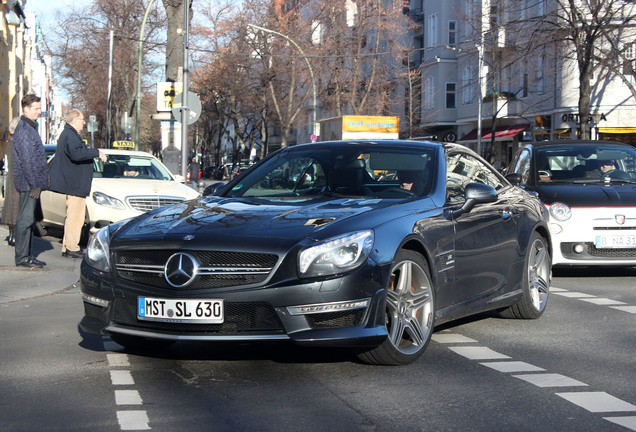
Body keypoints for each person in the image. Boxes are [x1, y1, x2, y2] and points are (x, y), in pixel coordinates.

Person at [49, 108, 106, 258]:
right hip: (75, 184)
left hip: (74, 183)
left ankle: (68, 246)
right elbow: (77, 154)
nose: (84, 122)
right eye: (82, 119)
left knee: (74, 215)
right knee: (76, 216)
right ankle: (71, 247)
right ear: (75, 121)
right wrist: (96, 152)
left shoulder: (69, 134)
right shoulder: (71, 135)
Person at [11, 94, 49, 268]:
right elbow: (27, 161)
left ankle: (26, 255)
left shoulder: (29, 128)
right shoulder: (25, 130)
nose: (39, 112)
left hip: (30, 183)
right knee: (25, 220)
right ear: (26, 109)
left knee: (28, 220)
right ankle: (22, 257)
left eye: (39, 108)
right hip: (28, 184)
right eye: (36, 108)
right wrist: (34, 185)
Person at [1, 117, 22, 246]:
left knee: (10, 206)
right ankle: (14, 237)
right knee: (15, 207)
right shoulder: (16, 144)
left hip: (10, 178)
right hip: (16, 177)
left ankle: (11, 236)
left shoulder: (10, 143)